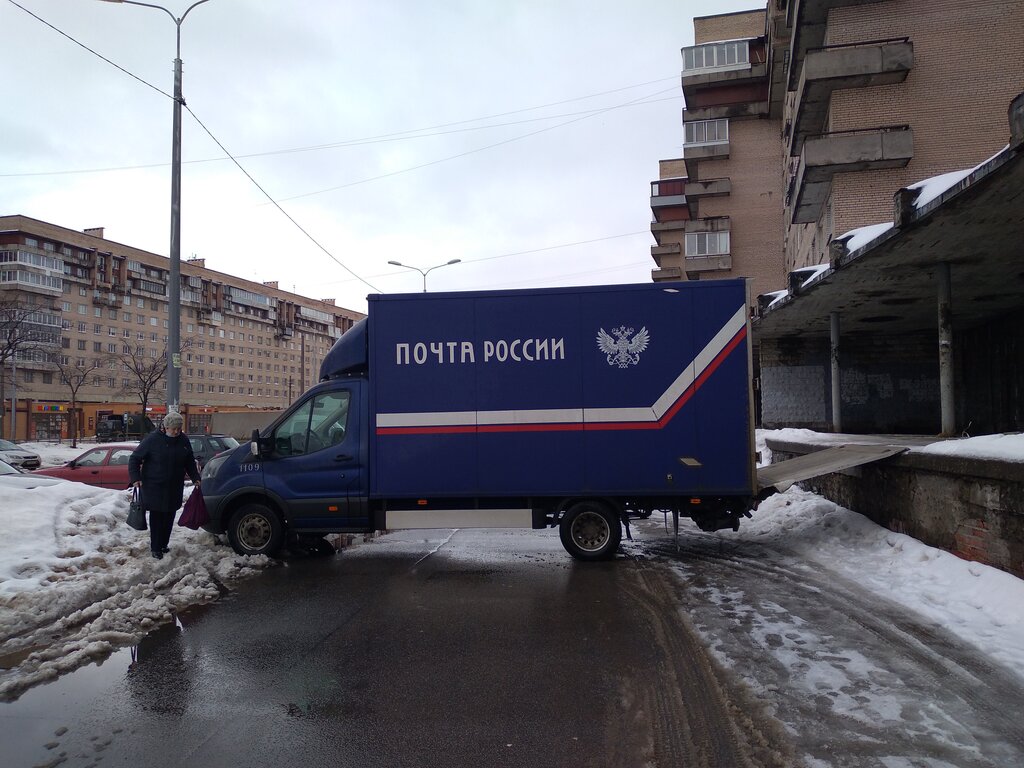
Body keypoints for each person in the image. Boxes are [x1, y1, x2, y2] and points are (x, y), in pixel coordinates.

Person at [129, 412, 201, 559]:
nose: (176, 432)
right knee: (157, 517)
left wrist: (195, 478)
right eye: (173, 429)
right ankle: (155, 547)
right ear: (165, 427)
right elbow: (134, 459)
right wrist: (135, 477)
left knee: (169, 516)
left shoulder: (183, 440)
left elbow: (189, 461)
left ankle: (163, 544)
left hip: (174, 486)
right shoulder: (152, 440)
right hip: (155, 486)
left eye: (178, 429)